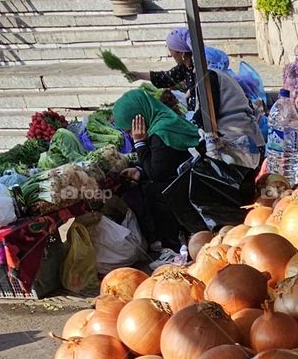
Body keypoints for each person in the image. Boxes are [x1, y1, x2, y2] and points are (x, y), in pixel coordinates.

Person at [132, 29, 265, 169]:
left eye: (171, 50)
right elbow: (167, 78)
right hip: (242, 139)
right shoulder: (203, 73)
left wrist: (181, 130)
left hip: (243, 144)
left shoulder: (209, 77)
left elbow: (206, 115)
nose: (170, 53)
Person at [113, 89, 201, 250]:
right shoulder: (165, 120)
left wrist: (139, 142)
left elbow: (157, 173)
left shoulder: (161, 132)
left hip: (192, 187)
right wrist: (140, 170)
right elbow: (164, 163)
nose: (130, 135)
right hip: (189, 177)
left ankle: (172, 247)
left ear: (139, 119)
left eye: (130, 130)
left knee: (153, 191)